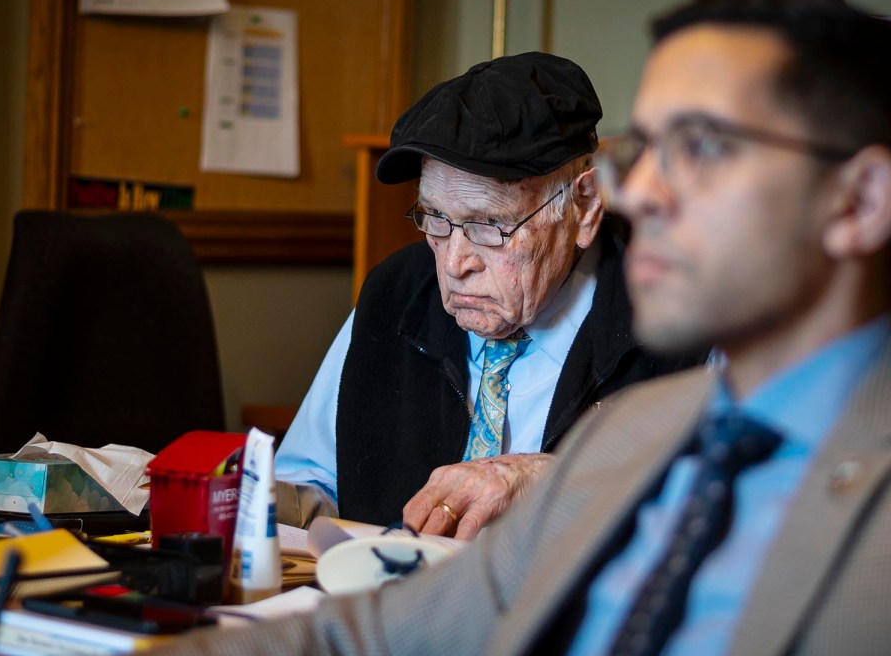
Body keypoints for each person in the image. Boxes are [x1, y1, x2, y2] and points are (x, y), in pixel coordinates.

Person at [0, 0, 891, 656]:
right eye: (645, 153)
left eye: (707, 151)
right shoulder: (634, 449)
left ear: (859, 201)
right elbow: (369, 654)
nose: (639, 197)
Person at [273, 51, 698, 539]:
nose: (454, 264)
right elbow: (314, 483)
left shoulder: (681, 318)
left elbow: (749, 499)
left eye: (488, 226)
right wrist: (242, 498)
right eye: (434, 219)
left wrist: (551, 479)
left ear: (584, 206)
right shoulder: (397, 292)